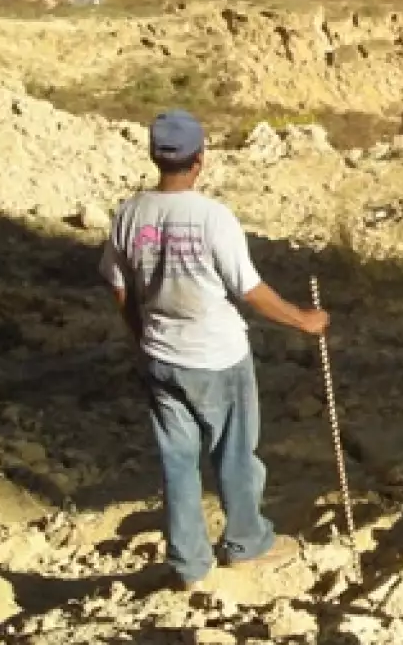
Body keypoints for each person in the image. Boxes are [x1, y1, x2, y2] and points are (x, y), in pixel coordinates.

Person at [99, 109, 330, 591]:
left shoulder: (130, 214)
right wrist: (303, 320)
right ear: (200, 159)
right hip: (218, 358)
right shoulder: (212, 218)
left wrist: (140, 334)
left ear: (154, 156)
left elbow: (119, 285)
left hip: (162, 356)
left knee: (177, 463)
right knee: (235, 455)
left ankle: (189, 564)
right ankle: (246, 543)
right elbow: (249, 290)